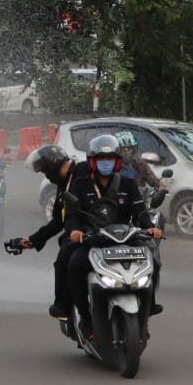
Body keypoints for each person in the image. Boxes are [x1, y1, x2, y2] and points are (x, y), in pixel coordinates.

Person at [63, 134, 163, 340]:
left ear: (116, 161)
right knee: (73, 264)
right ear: (92, 161)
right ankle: (85, 319)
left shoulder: (128, 185)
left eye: (109, 159)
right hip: (92, 241)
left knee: (153, 259)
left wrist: (150, 228)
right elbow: (72, 215)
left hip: (124, 239)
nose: (105, 163)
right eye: (101, 159)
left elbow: (140, 212)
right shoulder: (81, 185)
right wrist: (75, 231)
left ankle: (148, 307)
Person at [14, 144, 89, 320]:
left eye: (45, 171)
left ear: (52, 166)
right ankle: (64, 306)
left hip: (104, 229)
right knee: (64, 258)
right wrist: (32, 240)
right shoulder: (63, 187)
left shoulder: (85, 172)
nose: (46, 176)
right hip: (77, 235)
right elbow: (57, 221)